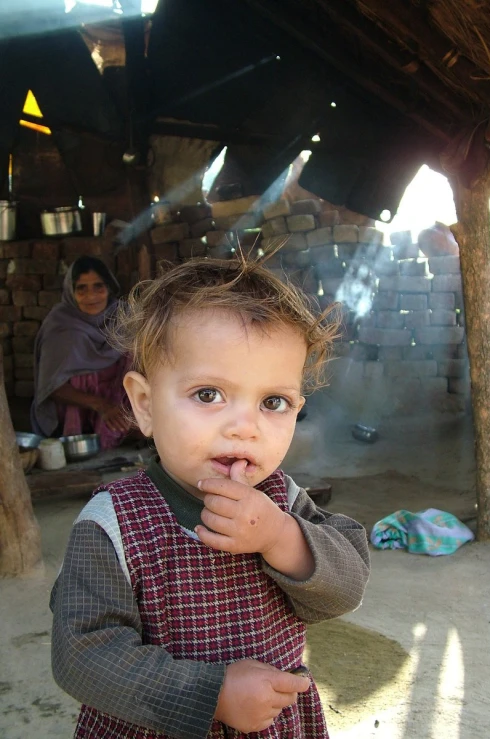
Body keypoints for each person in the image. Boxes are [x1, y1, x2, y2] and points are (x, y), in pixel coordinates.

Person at [50, 257, 371, 738]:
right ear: (144, 404)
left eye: (273, 402)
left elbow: (346, 589)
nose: (245, 427)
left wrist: (281, 535)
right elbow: (82, 655)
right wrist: (209, 693)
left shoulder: (283, 499)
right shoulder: (112, 524)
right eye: (207, 395)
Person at [31, 255, 132, 449]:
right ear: (71, 292)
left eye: (98, 286)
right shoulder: (61, 326)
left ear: (109, 287)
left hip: (118, 407)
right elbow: (51, 387)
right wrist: (102, 406)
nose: (91, 296)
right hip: (77, 413)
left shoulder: (124, 317)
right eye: (81, 289)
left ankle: (130, 428)